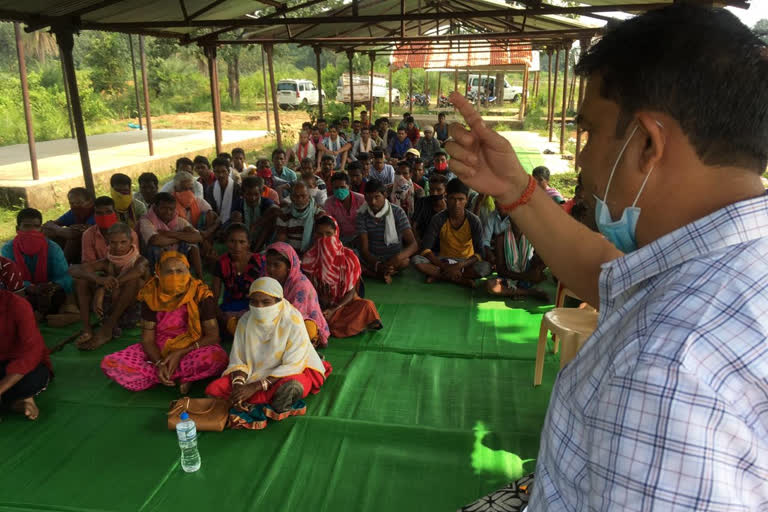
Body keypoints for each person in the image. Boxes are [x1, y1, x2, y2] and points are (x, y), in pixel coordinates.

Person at [448, 6, 768, 510]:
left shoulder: (665, 370)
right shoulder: (738, 255)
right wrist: (514, 188)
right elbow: (614, 279)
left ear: (646, 143)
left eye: (591, 133)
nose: (581, 158)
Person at [101, 251, 228, 394]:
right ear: (158, 273)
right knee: (112, 363)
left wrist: (179, 353)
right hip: (158, 347)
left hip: (192, 346)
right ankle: (180, 376)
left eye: (179, 271)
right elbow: (148, 340)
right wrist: (159, 363)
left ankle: (162, 375)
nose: (174, 276)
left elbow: (213, 336)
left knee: (217, 357)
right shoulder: (151, 295)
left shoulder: (201, 294)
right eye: (169, 272)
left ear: (188, 271)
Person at [204, 277, 332, 418]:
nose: (259, 308)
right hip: (254, 372)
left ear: (279, 301)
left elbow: (293, 364)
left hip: (287, 370)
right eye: (254, 302)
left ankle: (264, 398)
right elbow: (238, 360)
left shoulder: (292, 321)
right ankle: (266, 399)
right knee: (214, 389)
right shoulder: (245, 321)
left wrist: (255, 387)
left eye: (266, 302)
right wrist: (238, 386)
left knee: (295, 384)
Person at [70, 223, 150, 350]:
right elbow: (74, 270)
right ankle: (87, 329)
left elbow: (138, 271)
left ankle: (106, 330)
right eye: (113, 243)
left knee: (134, 280)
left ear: (131, 242)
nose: (118, 247)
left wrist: (102, 288)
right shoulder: (107, 262)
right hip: (108, 309)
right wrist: (99, 279)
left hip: (130, 312)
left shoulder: (140, 260)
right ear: (108, 242)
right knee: (81, 281)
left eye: (123, 242)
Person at [302, 216, 382, 338]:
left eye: (328, 234)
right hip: (318, 307)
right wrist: (322, 303)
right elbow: (307, 292)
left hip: (343, 305)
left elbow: (352, 292)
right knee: (308, 315)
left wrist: (334, 308)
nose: (324, 239)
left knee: (367, 305)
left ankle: (331, 325)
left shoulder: (349, 257)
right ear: (314, 236)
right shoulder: (309, 259)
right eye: (320, 234)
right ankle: (352, 325)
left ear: (336, 233)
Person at [2, 208, 76, 324]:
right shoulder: (7, 249)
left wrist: (52, 286)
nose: (31, 230)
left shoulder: (52, 247)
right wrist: (30, 287)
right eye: (26, 226)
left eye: (36, 226)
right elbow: (9, 278)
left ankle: (33, 315)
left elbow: (64, 277)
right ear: (17, 229)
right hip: (21, 292)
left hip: (48, 292)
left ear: (41, 230)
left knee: (64, 292)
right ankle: (38, 315)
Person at [413, 178, 490, 286]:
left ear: (467, 200)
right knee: (417, 260)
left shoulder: (473, 221)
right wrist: (446, 267)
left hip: (465, 262)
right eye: (452, 198)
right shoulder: (438, 219)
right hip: (444, 260)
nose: (456, 203)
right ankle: (460, 279)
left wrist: (458, 266)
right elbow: (426, 249)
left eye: (460, 199)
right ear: (446, 198)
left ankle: (440, 276)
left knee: (485, 267)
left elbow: (479, 253)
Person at [262, 243, 330, 347]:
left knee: (309, 328)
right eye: (268, 264)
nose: (271, 269)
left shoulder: (301, 285)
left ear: (289, 266)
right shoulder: (266, 280)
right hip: (276, 322)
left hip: (297, 322)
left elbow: (296, 317)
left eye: (276, 265)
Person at [0, 289, 52, 421]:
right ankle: (19, 402)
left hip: (22, 366)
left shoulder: (18, 305)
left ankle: (16, 400)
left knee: (32, 378)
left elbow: (32, 353)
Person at [356, 179, 418, 283]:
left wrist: (397, 258)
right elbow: (364, 250)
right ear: (365, 197)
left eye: (377, 197)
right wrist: (378, 264)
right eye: (369, 198)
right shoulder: (362, 214)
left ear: (385, 195)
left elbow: (413, 245)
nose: (373, 202)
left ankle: (380, 272)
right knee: (354, 256)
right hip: (372, 258)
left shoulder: (397, 212)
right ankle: (385, 272)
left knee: (405, 261)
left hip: (393, 257)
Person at [483, 205, 549, 301]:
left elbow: (542, 259)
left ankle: (515, 291)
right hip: (511, 277)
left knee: (542, 268)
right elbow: (500, 270)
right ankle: (530, 292)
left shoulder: (533, 235)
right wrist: (525, 276)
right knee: (490, 285)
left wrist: (537, 266)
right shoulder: (500, 238)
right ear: (509, 218)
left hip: (529, 275)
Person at [211, 223, 265, 336]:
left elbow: (266, 293)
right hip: (230, 307)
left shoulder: (259, 261)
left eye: (242, 242)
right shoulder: (221, 263)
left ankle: (238, 330)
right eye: (232, 241)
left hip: (254, 305)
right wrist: (219, 314)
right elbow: (214, 296)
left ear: (248, 244)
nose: (237, 246)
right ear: (226, 242)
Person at [138, 193, 203, 278]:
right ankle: (158, 278)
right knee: (154, 248)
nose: (168, 212)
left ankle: (199, 279)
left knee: (193, 245)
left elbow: (198, 237)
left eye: (171, 209)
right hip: (156, 258)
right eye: (164, 208)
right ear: (156, 207)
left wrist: (171, 234)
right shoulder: (146, 220)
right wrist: (182, 237)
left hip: (177, 255)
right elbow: (155, 240)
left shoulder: (178, 220)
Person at [172, 171, 219, 265]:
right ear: (176, 189)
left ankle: (207, 253)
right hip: (181, 238)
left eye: (190, 188)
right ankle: (208, 254)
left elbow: (216, 218)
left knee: (209, 215)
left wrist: (208, 231)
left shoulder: (197, 201)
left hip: (201, 235)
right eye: (184, 189)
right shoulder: (170, 204)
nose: (188, 192)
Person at [42, 187, 94, 264]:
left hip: (93, 248)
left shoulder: (96, 214)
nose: (75, 206)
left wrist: (57, 229)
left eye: (79, 203)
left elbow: (72, 234)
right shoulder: (73, 213)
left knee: (73, 239)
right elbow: (48, 226)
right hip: (79, 247)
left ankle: (62, 266)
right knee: (49, 233)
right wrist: (56, 229)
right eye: (72, 203)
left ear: (89, 203)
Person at [81, 196, 140, 263]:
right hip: (98, 271)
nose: (104, 216)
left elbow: (135, 259)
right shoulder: (88, 234)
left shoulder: (130, 233)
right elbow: (88, 262)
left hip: (127, 269)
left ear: (115, 213)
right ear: (94, 215)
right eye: (99, 213)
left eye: (108, 212)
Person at [276, 182, 325, 255]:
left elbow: (322, 240)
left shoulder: (319, 214)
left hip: (314, 254)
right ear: (291, 197)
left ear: (309, 196)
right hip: (291, 253)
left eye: (303, 196)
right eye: (296, 196)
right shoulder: (284, 214)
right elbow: (282, 241)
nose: (299, 199)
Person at [324, 172, 366, 246]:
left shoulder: (361, 200)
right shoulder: (329, 203)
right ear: (332, 188)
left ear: (349, 187)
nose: (339, 190)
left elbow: (367, 222)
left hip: (361, 236)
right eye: (336, 188)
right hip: (340, 238)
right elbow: (330, 225)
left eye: (342, 187)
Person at [238, 176, 280, 251]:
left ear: (261, 192)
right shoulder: (239, 203)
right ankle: (242, 245)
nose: (253, 198)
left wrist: (255, 225)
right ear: (243, 193)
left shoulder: (265, 202)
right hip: (245, 235)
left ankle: (256, 250)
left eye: (256, 194)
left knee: (271, 220)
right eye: (249, 194)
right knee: (236, 215)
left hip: (262, 239)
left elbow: (276, 209)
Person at [204, 157, 242, 225]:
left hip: (233, 221)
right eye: (217, 172)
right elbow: (211, 209)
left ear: (229, 171)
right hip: (215, 221)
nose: (221, 175)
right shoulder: (210, 189)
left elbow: (238, 209)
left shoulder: (237, 188)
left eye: (223, 171)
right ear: (214, 172)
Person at [412, 173, 448, 241]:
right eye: (432, 189)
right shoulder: (422, 202)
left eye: (439, 190)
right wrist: (419, 242)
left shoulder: (450, 206)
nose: (434, 193)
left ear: (446, 191)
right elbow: (414, 226)